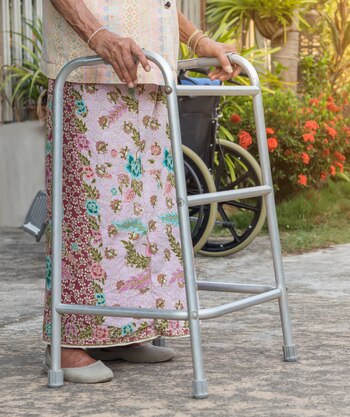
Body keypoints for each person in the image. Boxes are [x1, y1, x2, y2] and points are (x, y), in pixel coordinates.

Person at [41, 0, 241, 383]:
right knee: (89, 211)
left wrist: (198, 40)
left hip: (148, 70)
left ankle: (122, 331)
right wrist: (98, 35)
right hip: (89, 69)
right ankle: (67, 342)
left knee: (143, 214)